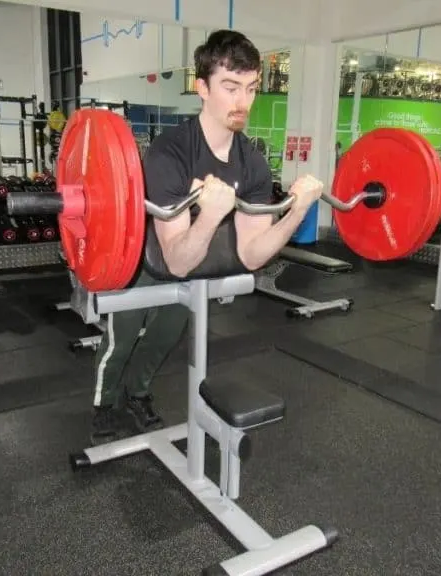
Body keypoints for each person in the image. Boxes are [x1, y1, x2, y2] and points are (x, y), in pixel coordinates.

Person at [90, 30, 324, 443]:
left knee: (164, 335)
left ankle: (137, 393)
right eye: (230, 87)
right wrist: (212, 214)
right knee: (122, 337)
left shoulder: (252, 163)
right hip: (142, 257)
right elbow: (173, 259)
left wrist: (296, 213)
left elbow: (252, 254)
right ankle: (104, 403)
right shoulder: (169, 152)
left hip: (192, 262)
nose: (243, 102)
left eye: (251, 89)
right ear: (202, 87)